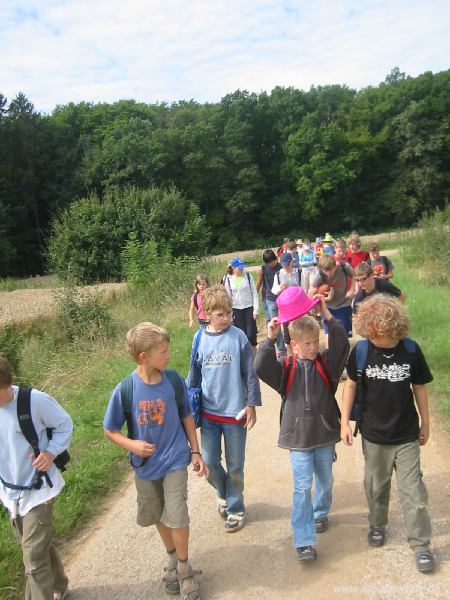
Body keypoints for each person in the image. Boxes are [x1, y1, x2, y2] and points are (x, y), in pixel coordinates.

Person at [103, 323, 208, 599]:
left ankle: (184, 569)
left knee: (178, 513)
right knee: (160, 514)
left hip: (175, 459)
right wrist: (132, 444)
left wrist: (195, 452)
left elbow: (187, 415)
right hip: (146, 468)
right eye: (163, 351)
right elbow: (109, 430)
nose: (169, 354)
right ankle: (173, 558)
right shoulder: (126, 389)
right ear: (143, 357)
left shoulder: (173, 380)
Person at [340, 295, 435, 573]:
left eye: (380, 335)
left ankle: (421, 545)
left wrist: (425, 423)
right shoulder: (361, 351)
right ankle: (377, 524)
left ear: (396, 329)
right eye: (371, 334)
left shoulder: (411, 350)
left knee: (413, 493)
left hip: (405, 435)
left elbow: (419, 387)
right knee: (376, 486)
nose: (375, 339)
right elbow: (350, 387)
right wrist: (345, 422)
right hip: (374, 435)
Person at [254, 297, 349, 561]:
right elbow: (261, 366)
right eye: (306, 343)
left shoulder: (325, 364)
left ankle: (320, 513)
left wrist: (326, 314)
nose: (312, 347)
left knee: (326, 481)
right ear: (293, 345)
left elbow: (341, 344)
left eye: (315, 342)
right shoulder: (286, 367)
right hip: (297, 437)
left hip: (324, 433)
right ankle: (304, 540)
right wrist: (269, 340)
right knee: (302, 486)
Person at [186, 286, 262, 533]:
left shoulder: (238, 336)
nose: (227, 318)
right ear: (207, 314)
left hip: (235, 414)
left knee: (236, 465)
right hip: (209, 415)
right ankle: (225, 491)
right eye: (220, 314)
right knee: (208, 462)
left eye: (228, 313)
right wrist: (186, 407)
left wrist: (251, 404)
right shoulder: (199, 339)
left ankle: (236, 509)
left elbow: (249, 374)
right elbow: (193, 377)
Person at [0, 356, 73, 600]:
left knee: (32, 559)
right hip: (10, 493)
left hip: (39, 490)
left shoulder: (34, 402)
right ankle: (60, 584)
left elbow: (64, 424)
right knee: (37, 548)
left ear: (7, 384)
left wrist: (51, 452)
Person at [309, 254, 355, 341]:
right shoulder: (319, 275)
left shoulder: (343, 267)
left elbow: (354, 275)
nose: (328, 273)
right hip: (327, 308)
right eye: (325, 270)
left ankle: (343, 353)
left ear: (335, 265)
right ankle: (329, 353)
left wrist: (352, 288)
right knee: (329, 335)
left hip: (343, 305)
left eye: (330, 270)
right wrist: (327, 298)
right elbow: (311, 294)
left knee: (342, 335)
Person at [224, 257, 259, 355]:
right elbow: (228, 297)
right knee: (241, 334)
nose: (241, 269)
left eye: (242, 267)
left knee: (251, 334)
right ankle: (246, 359)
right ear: (234, 268)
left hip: (249, 307)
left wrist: (255, 310)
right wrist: (229, 313)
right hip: (236, 309)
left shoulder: (248, 276)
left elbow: (254, 293)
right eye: (239, 268)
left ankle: (254, 358)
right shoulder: (228, 279)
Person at [255, 249, 286, 357]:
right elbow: (259, 283)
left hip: (281, 298)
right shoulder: (262, 269)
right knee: (271, 323)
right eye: (268, 262)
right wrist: (254, 298)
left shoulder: (281, 267)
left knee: (276, 324)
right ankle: (272, 344)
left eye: (272, 261)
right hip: (268, 298)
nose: (271, 264)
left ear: (275, 259)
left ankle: (282, 350)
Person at [271, 252, 301, 355]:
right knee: (287, 335)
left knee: (299, 331)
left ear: (292, 262)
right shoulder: (278, 274)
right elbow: (273, 290)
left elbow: (305, 288)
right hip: (286, 309)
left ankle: (300, 354)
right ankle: (291, 357)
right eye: (284, 265)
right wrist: (279, 288)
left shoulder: (299, 272)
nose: (286, 267)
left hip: (298, 307)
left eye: (288, 264)